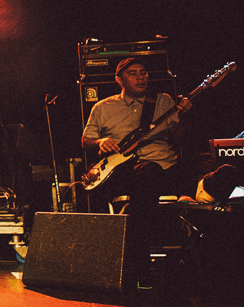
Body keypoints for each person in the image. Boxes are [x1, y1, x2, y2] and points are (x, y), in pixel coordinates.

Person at [81, 57, 191, 284]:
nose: (141, 77)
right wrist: (100, 141)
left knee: (153, 174)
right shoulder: (102, 107)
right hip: (123, 171)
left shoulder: (163, 101)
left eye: (143, 72)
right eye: (133, 73)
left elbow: (179, 138)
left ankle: (137, 263)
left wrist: (184, 116)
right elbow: (85, 141)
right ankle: (139, 262)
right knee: (145, 176)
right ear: (119, 79)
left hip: (164, 168)